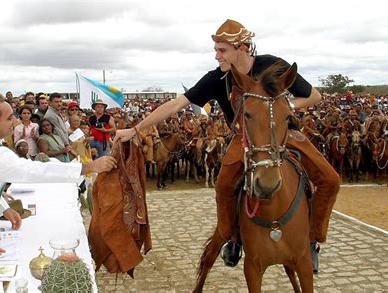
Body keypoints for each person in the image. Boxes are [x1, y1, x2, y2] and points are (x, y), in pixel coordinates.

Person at [114, 19, 340, 272]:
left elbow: (315, 96)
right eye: (216, 50)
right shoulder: (217, 78)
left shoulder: (274, 66)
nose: (216, 56)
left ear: (242, 48)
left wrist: (279, 109)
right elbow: (176, 105)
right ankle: (232, 239)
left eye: (222, 50)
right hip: (243, 138)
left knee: (330, 180)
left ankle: (312, 241)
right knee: (223, 185)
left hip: (284, 134)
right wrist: (134, 130)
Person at [0, 100, 116, 255]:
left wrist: (4, 208)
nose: (15, 121)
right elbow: (35, 170)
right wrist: (88, 167)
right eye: (10, 118)